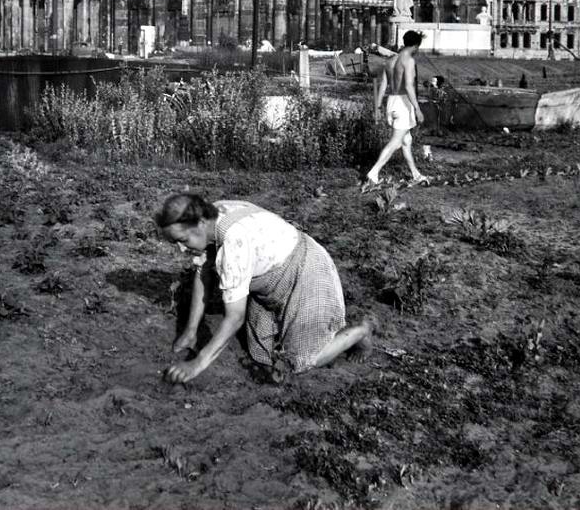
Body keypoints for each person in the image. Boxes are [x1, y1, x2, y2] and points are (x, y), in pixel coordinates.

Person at [156, 193, 375, 383]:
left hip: (306, 269)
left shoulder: (234, 242)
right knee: (262, 355)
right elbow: (203, 272)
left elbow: (235, 318)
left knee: (299, 361)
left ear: (200, 223)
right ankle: (299, 326)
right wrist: (191, 331)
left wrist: (197, 364)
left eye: (183, 240)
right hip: (270, 283)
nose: (181, 249)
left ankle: (359, 331)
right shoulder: (213, 213)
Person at [364, 29, 429, 190]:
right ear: (415, 45)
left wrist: (378, 107)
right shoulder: (409, 60)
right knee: (396, 141)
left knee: (406, 140)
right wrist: (418, 109)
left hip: (390, 102)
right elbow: (408, 86)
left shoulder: (390, 60)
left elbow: (383, 85)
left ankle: (416, 174)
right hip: (402, 102)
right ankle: (373, 172)